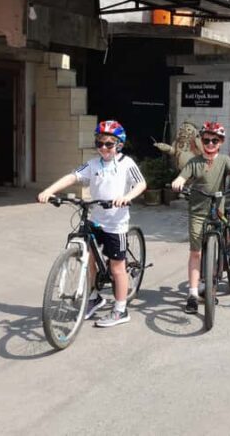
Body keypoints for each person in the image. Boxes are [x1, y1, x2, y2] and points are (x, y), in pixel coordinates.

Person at [38, 120, 147, 327]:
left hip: (116, 224)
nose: (103, 148)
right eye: (99, 143)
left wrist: (127, 197)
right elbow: (73, 177)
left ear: (119, 144)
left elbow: (141, 184)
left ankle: (120, 309)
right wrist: (49, 191)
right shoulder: (93, 164)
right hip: (96, 220)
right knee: (88, 259)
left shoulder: (127, 163)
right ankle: (94, 297)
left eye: (109, 144)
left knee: (117, 267)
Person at [171, 121, 230, 314]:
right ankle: (193, 294)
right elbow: (183, 177)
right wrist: (178, 181)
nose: (210, 144)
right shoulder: (194, 162)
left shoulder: (224, 160)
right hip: (197, 211)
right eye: (206, 140)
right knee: (196, 252)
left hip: (217, 210)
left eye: (214, 141)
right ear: (201, 141)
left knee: (223, 235)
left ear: (221, 142)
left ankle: (229, 255)